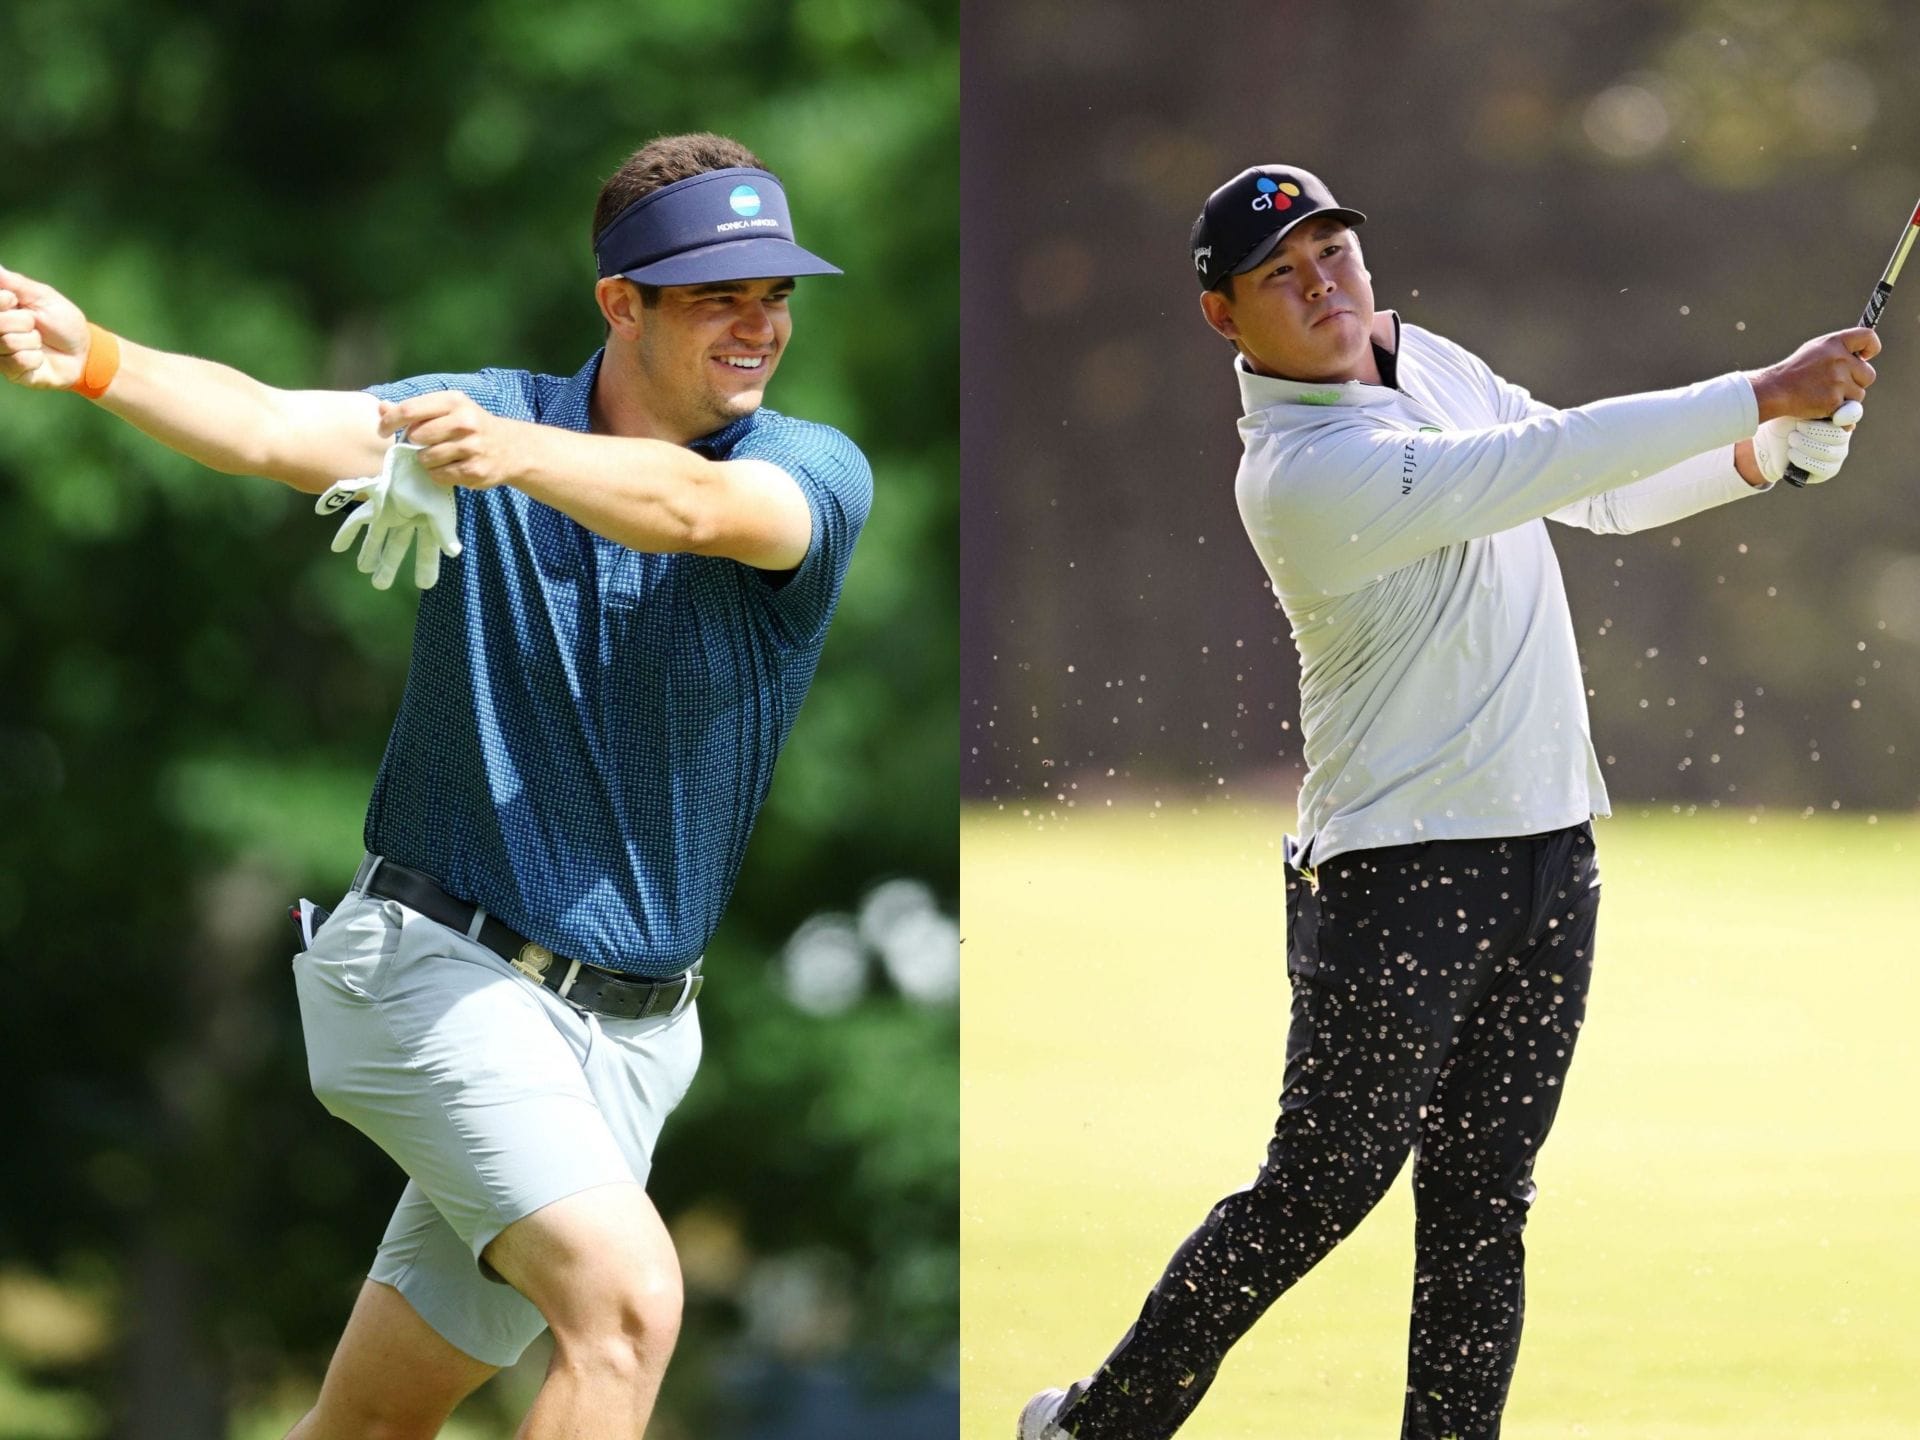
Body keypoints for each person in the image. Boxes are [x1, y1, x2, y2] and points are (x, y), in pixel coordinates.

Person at [0, 131, 872, 1439]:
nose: (759, 327)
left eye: (775, 295)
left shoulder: (809, 470)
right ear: (619, 302)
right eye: (716, 297)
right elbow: (263, 423)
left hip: (632, 1043)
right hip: (433, 969)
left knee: (371, 1421)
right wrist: (97, 361)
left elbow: (693, 511)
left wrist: (506, 454)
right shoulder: (480, 414)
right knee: (627, 1309)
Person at [1019, 164, 1875, 1440]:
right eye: (1282, 277)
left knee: (1485, 1198)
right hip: (1397, 874)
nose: (1323, 289)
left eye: (1335, 258)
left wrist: (1759, 458)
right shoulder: (1301, 472)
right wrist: (1758, 391)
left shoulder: (1424, 360)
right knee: (1319, 1191)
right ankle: (1100, 1425)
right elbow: (1542, 461)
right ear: (1224, 316)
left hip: (1550, 851)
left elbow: (1598, 491)